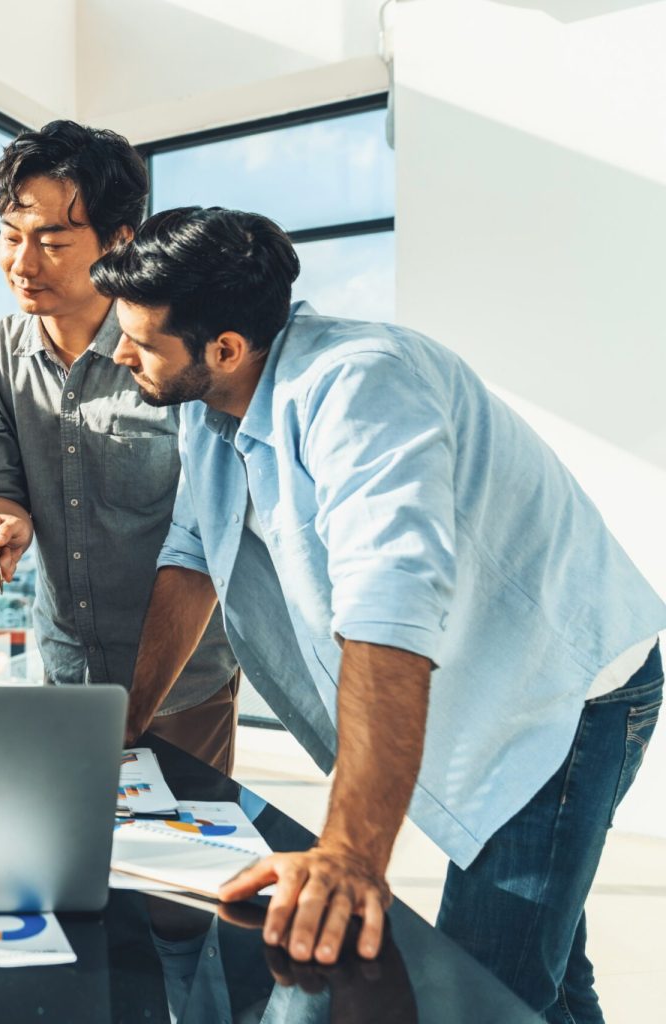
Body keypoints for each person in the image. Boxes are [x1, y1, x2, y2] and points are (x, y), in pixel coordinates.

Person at [93, 206, 664, 1023]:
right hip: (479, 688)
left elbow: (389, 607)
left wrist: (353, 856)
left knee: (480, 995)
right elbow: (190, 560)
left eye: (141, 341)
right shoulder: (207, 401)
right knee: (544, 977)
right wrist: (121, 725)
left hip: (556, 701)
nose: (120, 355)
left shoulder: (363, 384)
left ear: (224, 348)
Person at [0, 120, 239, 769]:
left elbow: (201, 545)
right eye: (10, 237)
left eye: (52, 242)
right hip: (64, 677)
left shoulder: (178, 357)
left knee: (178, 867)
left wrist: (133, 714)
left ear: (119, 240)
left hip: (184, 691)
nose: (23, 265)